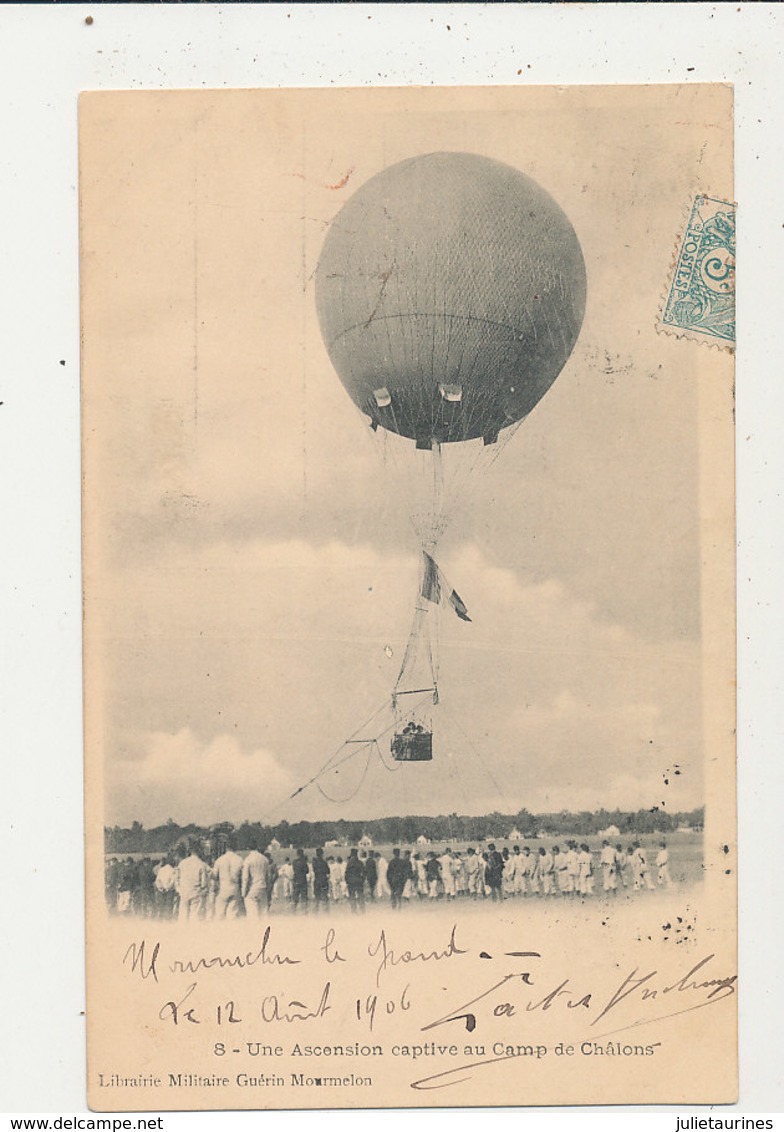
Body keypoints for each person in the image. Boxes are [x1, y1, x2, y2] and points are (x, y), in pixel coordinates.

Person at [176, 842, 210, 922]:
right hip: (196, 893)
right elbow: (203, 883)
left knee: (183, 917)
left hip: (184, 892)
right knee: (195, 917)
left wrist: (179, 889)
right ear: (199, 851)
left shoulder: (182, 863)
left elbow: (176, 879)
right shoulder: (201, 864)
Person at [213, 840, 245, 919]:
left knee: (219, 913)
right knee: (232, 914)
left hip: (223, 887)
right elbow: (243, 875)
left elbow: (214, 876)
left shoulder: (219, 860)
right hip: (235, 887)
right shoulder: (240, 860)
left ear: (226, 848)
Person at [241, 845, 269, 919]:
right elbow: (268, 876)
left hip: (253, 888)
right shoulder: (264, 859)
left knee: (252, 915)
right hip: (263, 888)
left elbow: (245, 878)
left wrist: (243, 892)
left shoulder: (248, 859)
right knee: (263, 914)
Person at [344, 848, 366, 913]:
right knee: (361, 896)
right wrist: (362, 880)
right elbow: (364, 872)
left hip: (351, 882)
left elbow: (346, 873)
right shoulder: (360, 863)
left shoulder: (349, 863)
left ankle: (354, 911)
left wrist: (347, 881)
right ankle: (362, 910)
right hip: (359, 881)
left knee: (352, 896)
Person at [312, 847, 330, 912]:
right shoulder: (324, 862)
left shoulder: (314, 862)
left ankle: (315, 912)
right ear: (322, 854)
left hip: (316, 880)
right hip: (323, 881)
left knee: (316, 897)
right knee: (324, 897)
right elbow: (328, 872)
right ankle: (326, 912)